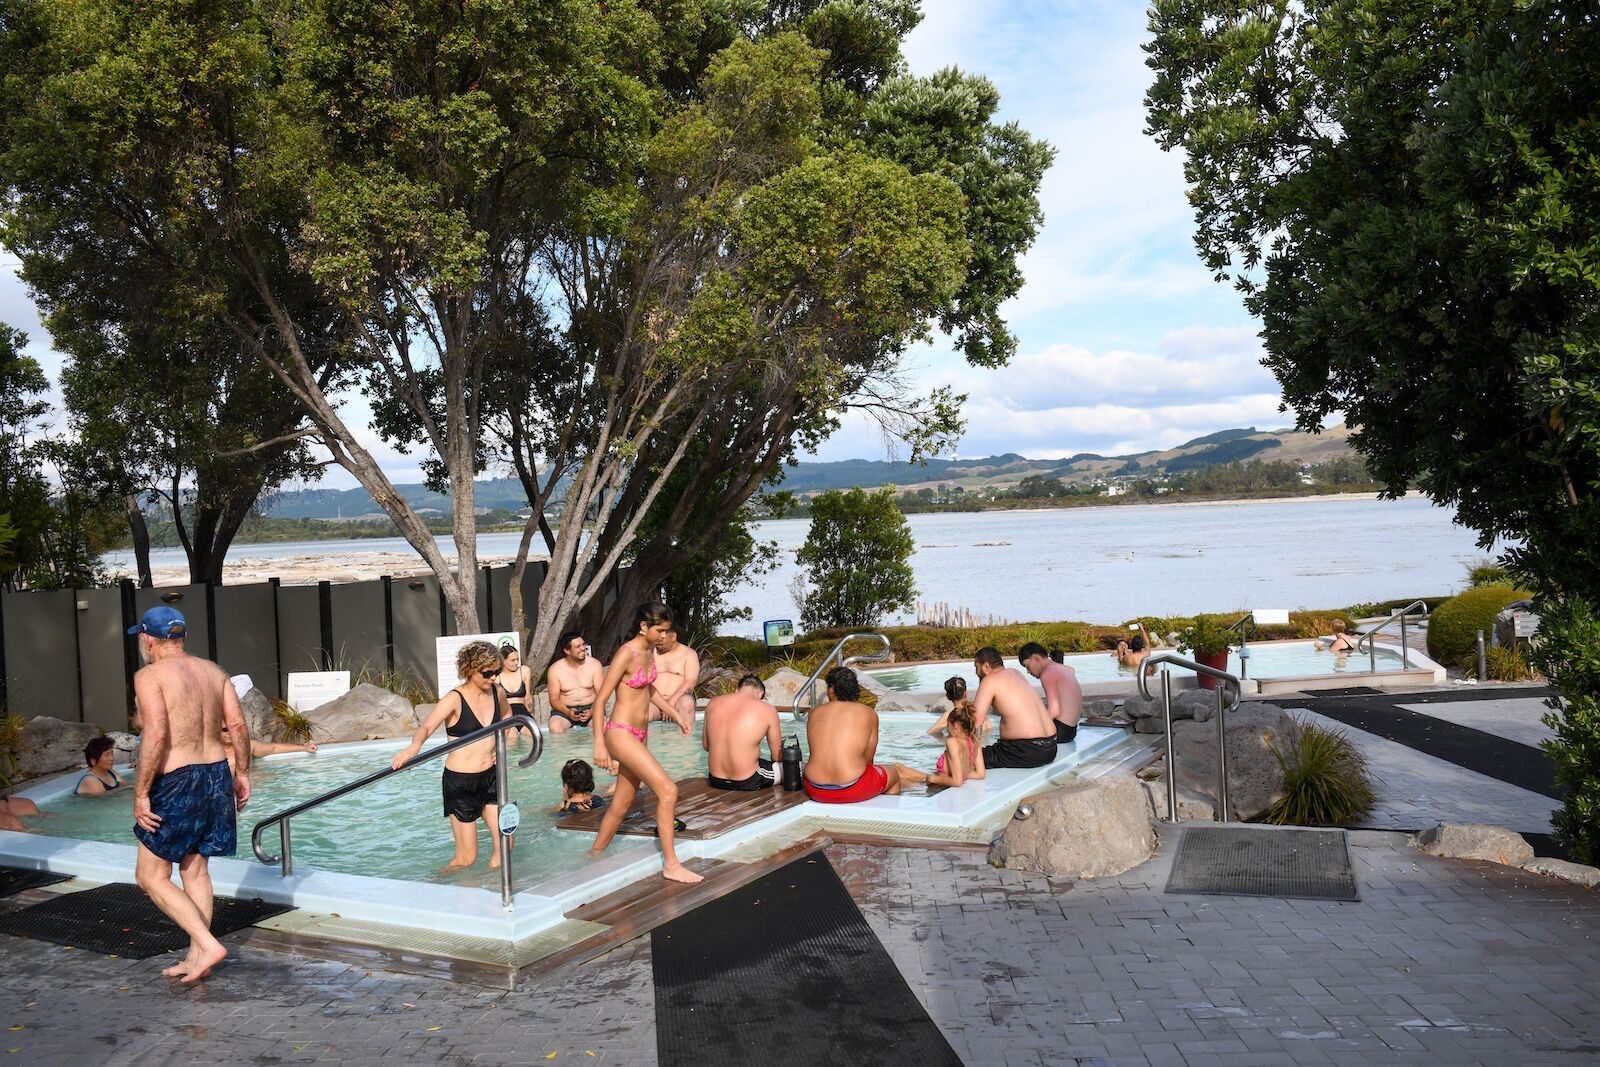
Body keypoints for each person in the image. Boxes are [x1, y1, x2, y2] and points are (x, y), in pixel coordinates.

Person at [127, 605, 250, 985]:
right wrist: (242, 772)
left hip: (177, 779)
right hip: (215, 772)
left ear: (149, 639)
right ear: (180, 637)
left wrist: (142, 792)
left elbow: (157, 734)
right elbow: (238, 724)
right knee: (195, 869)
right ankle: (197, 957)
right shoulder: (215, 672)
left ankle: (206, 943)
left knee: (150, 877)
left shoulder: (149, 676)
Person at [590, 602, 702, 884]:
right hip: (620, 732)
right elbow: (601, 699)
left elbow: (649, 689)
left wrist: (676, 714)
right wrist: (600, 745)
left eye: (666, 631)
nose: (665, 636)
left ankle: (593, 856)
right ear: (643, 627)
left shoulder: (650, 652)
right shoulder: (625, 654)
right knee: (668, 791)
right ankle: (672, 864)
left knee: (622, 804)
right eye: (660, 631)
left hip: (639, 735)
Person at [391, 640, 511, 873]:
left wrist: (500, 745)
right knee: (467, 858)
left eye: (497, 672)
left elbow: (507, 716)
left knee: (505, 843)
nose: (494, 678)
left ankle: (492, 890)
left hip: (492, 777)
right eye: (488, 673)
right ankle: (436, 886)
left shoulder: (498, 692)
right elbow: (426, 727)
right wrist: (413, 748)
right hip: (461, 782)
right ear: (469, 669)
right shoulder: (454, 698)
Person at [802, 666, 914, 803]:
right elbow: (868, 759)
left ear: (831, 689)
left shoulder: (814, 712)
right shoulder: (868, 713)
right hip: (851, 788)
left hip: (814, 788)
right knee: (894, 774)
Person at [971, 646, 1057, 769]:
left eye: (976, 667)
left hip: (1025, 751)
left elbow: (974, 721)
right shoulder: (1016, 673)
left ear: (985, 667)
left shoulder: (990, 680)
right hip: (1051, 747)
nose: (975, 672)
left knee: (963, 758)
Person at [703, 674, 781, 791]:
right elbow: (777, 756)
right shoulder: (768, 710)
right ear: (760, 695)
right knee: (796, 767)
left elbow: (707, 746)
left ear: (737, 690)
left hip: (715, 779)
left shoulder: (712, 703)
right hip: (747, 780)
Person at [900, 701, 986, 790]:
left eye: (948, 726)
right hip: (940, 783)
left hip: (937, 785)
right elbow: (980, 774)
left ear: (955, 726)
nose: (947, 730)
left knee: (898, 770)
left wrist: (933, 778)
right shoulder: (974, 742)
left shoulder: (952, 742)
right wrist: (962, 773)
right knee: (898, 768)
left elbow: (957, 781)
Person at [1019, 641, 1084, 744]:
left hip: (1060, 731)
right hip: (1071, 731)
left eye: (1027, 666)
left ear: (1036, 658)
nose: (1028, 671)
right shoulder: (1065, 669)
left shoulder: (1048, 674)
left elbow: (1054, 711)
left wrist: (1032, 729)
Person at [547, 631, 604, 733]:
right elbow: (554, 699)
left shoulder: (595, 665)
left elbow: (601, 694)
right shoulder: (555, 669)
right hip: (565, 710)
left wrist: (592, 712)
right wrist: (568, 712)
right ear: (567, 651)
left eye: (583, 644)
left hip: (591, 707)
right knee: (555, 728)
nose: (583, 648)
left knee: (604, 727)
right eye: (578, 646)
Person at [650, 625, 700, 725]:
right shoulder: (649, 652)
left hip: (678, 702)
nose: (658, 641)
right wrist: (663, 705)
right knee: (640, 708)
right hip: (653, 702)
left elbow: (690, 681)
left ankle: (685, 739)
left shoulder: (689, 654)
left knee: (687, 703)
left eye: (662, 639)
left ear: (673, 636)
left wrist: (670, 703)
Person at [497, 642, 534, 719]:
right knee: (511, 730)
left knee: (531, 730)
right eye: (512, 660)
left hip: (522, 711)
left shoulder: (524, 671)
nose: (516, 662)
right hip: (505, 712)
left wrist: (529, 707)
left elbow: (528, 696)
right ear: (503, 661)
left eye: (517, 659)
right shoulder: (497, 677)